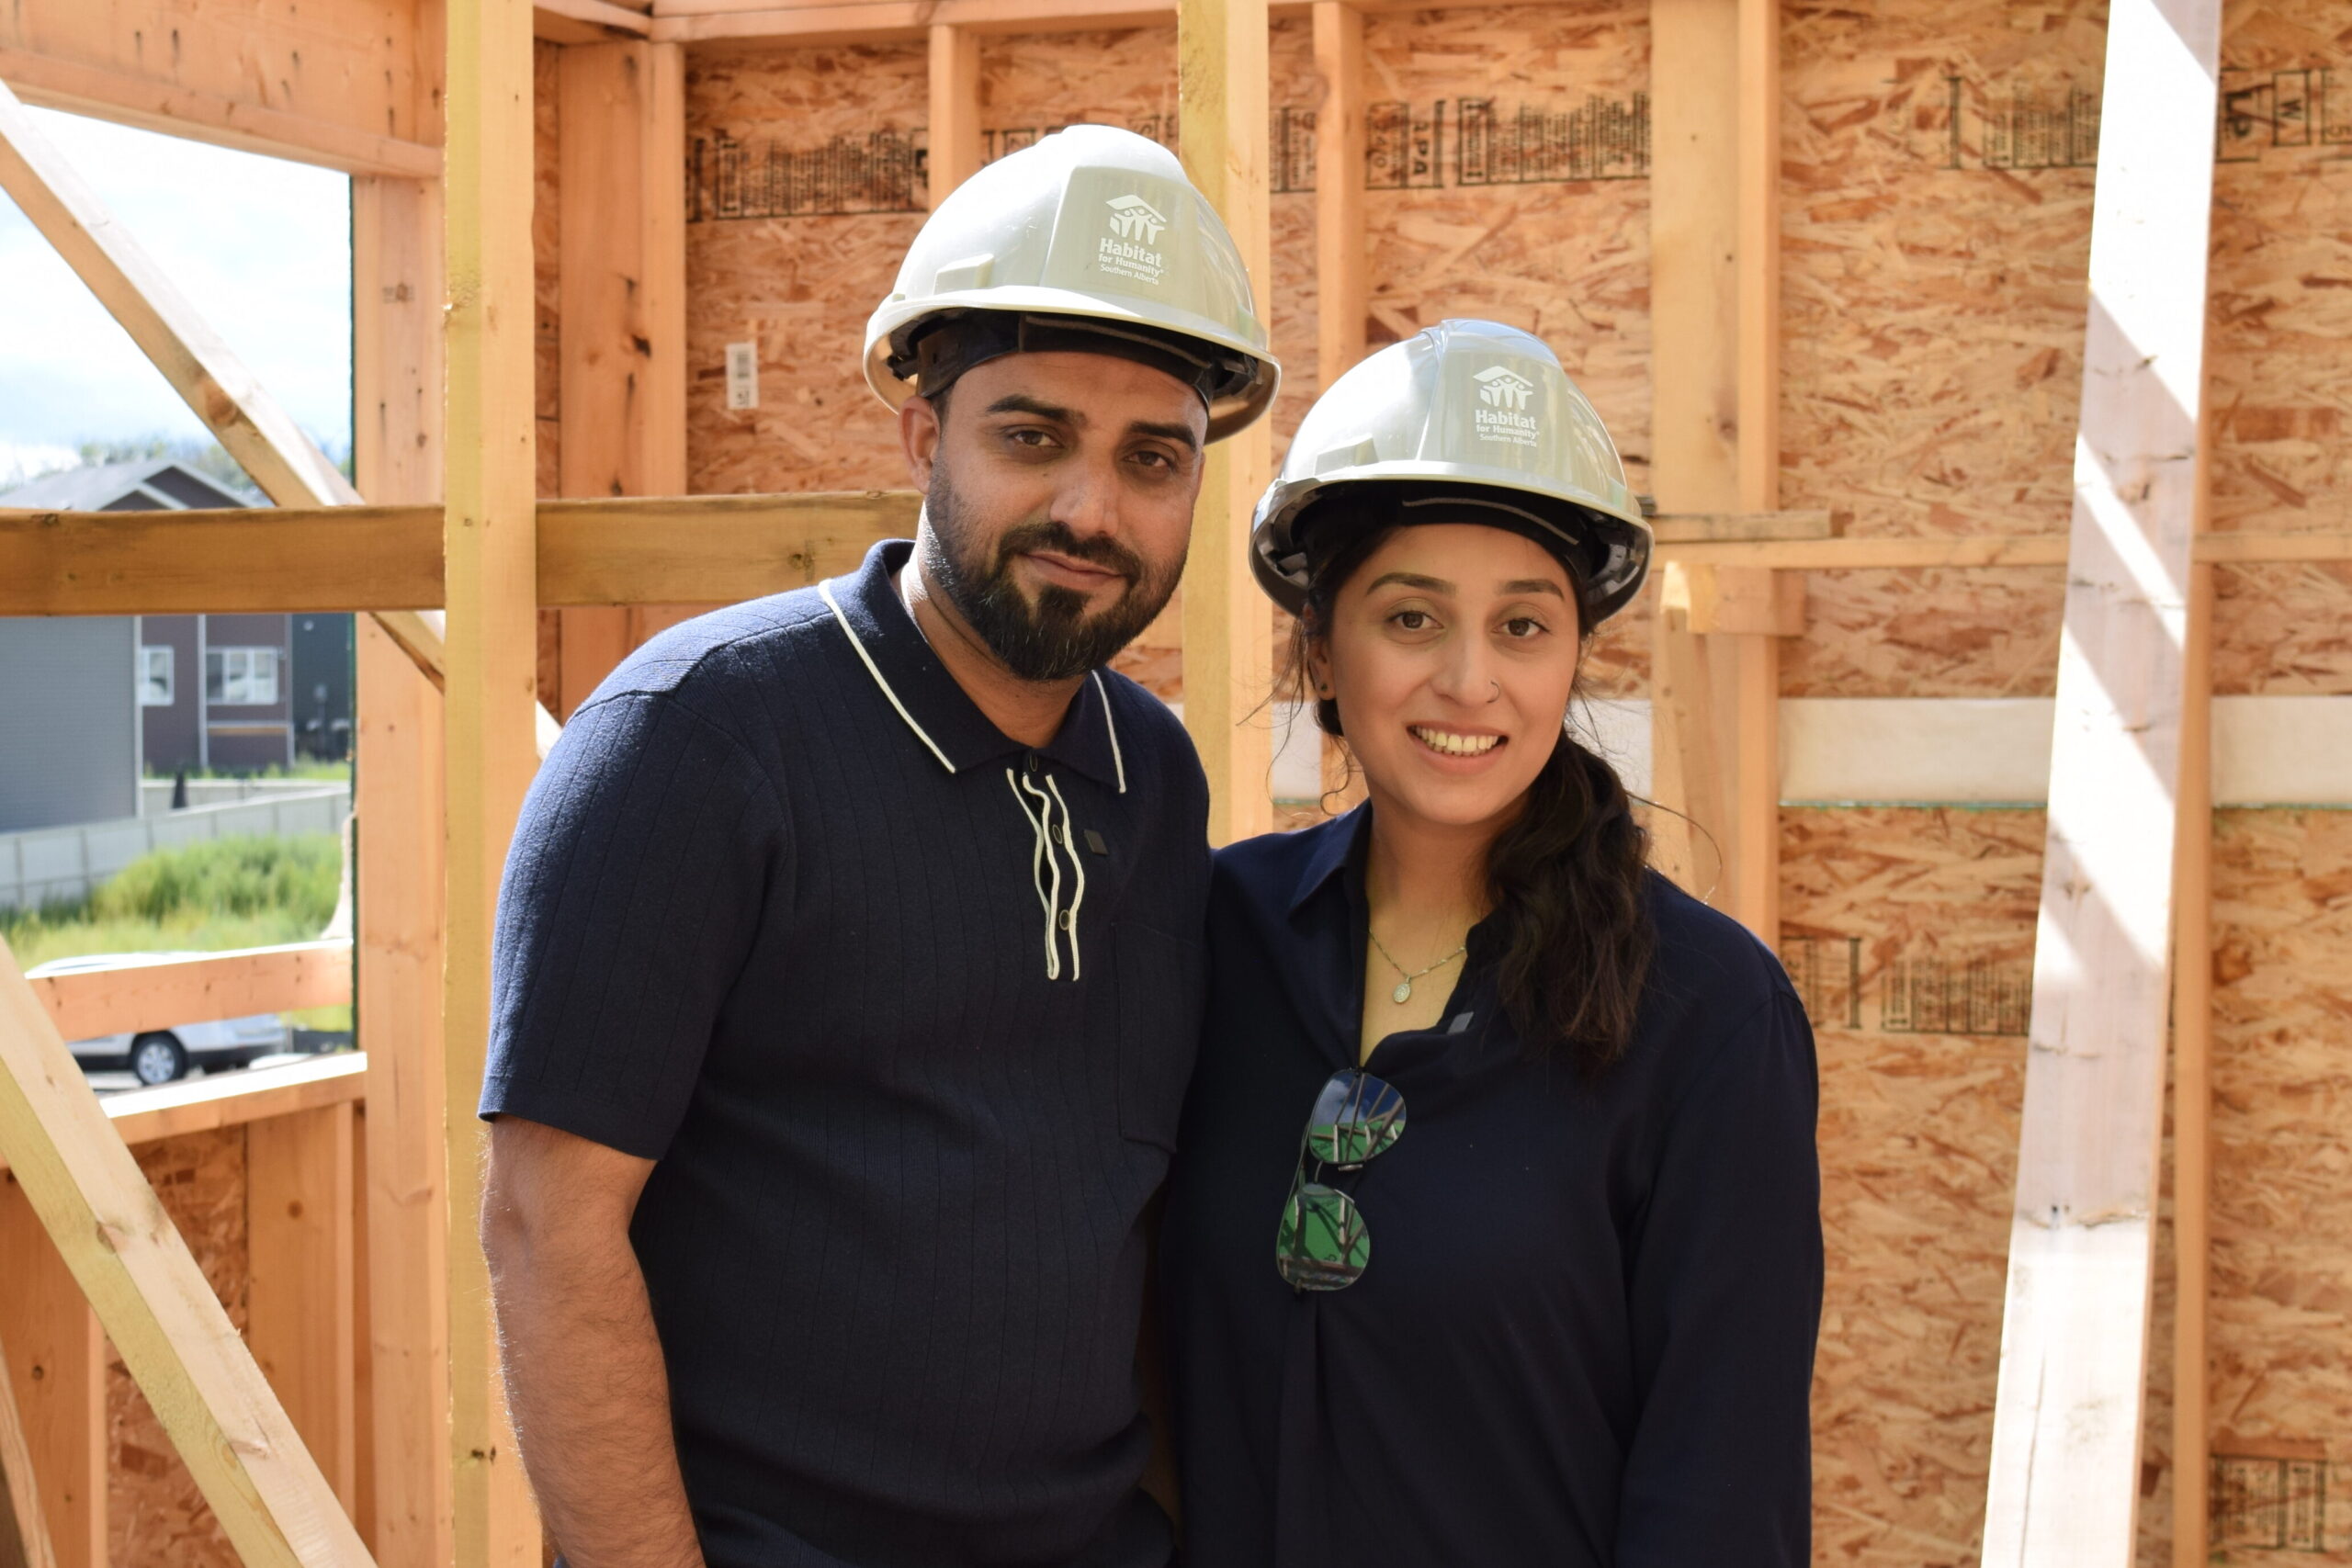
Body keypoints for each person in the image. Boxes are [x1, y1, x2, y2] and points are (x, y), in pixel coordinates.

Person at [478, 124, 1279, 1568]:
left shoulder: (1149, 780)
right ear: (923, 432)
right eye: (1031, 437)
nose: (1092, 510)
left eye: (1151, 458)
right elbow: (550, 1229)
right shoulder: (696, 741)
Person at [1159, 319, 1822, 1566]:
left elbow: (1722, 1491)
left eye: (1522, 628)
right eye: (1411, 619)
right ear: (1324, 646)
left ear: (1573, 653)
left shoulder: (1705, 1015)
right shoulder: (1218, 939)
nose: (1470, 682)